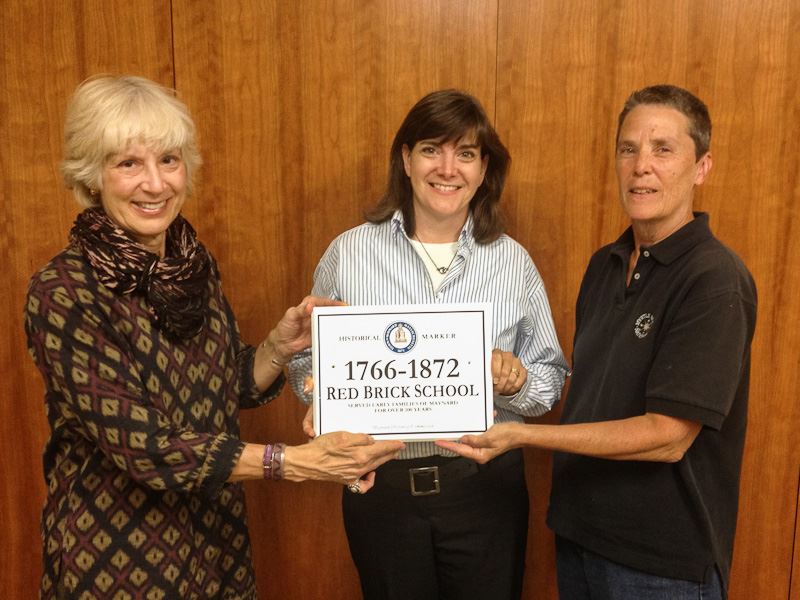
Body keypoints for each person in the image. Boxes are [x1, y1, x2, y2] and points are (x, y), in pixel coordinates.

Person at [24, 75, 404, 599]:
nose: (155, 184)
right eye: (128, 163)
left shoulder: (190, 266)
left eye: (169, 160)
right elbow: (148, 447)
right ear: (92, 177)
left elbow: (225, 388)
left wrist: (278, 346)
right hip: (117, 554)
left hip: (215, 543)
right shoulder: (63, 290)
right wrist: (292, 463)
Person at [439, 84, 757, 599]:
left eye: (663, 149)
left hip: (660, 566)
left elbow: (669, 435)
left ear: (702, 167)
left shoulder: (714, 279)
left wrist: (522, 436)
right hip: (582, 541)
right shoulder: (605, 265)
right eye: (628, 149)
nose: (641, 166)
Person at [288, 89, 568, 599]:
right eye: (431, 149)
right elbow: (307, 361)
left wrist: (516, 379)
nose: (448, 168)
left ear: (484, 169)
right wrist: (320, 395)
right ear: (405, 159)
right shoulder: (348, 253)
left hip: (485, 492)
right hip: (382, 494)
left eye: (465, 154)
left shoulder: (512, 262)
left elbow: (549, 381)